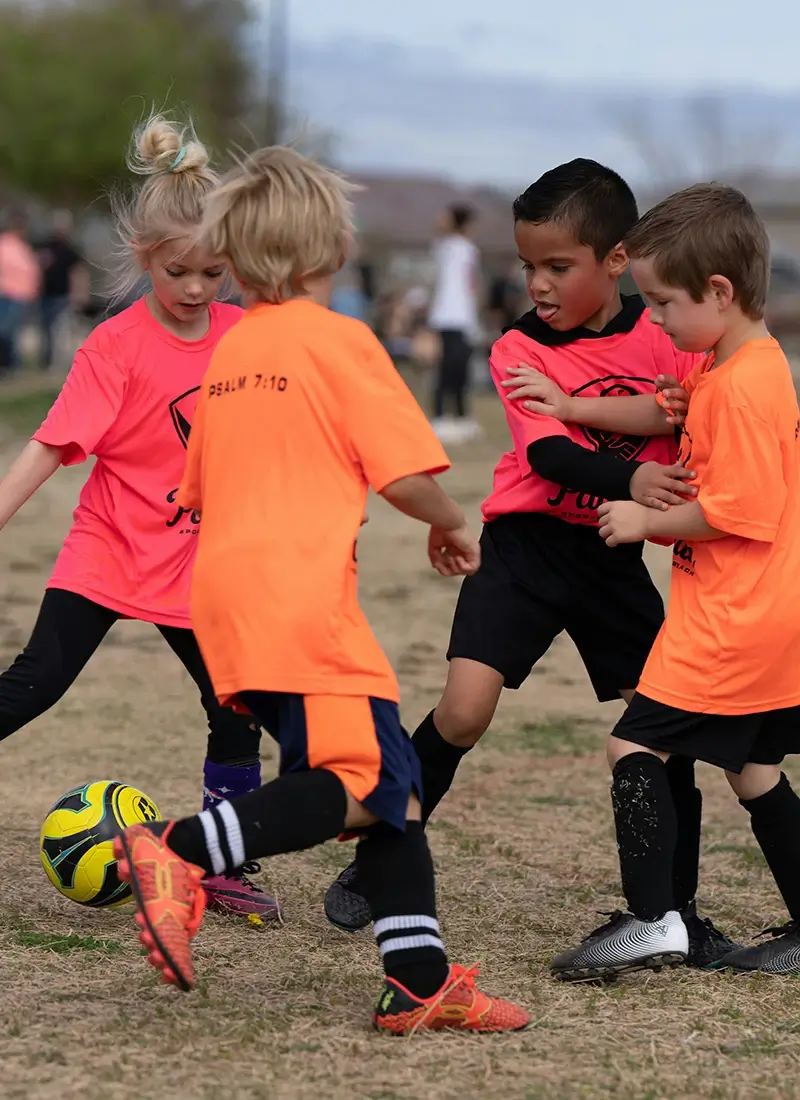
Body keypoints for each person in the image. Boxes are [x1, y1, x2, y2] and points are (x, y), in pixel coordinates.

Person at [111, 145, 531, 1035]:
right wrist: (452, 521)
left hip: (228, 600)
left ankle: (418, 981)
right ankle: (181, 849)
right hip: (301, 601)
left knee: (394, 791)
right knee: (365, 780)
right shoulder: (339, 339)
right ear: (329, 248)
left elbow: (196, 486)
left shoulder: (231, 352)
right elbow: (403, 474)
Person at [323, 158, 738, 969]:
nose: (538, 283)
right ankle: (380, 854)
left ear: (617, 259)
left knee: (665, 729)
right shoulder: (519, 346)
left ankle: (675, 910)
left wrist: (658, 435)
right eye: (527, 266)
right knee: (462, 714)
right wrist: (632, 475)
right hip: (523, 550)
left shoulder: (667, 331)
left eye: (558, 266)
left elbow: (686, 408)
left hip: (611, 557)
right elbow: (549, 455)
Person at [0, 115, 277, 922]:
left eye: (213, 272)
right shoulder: (115, 346)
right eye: (177, 270)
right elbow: (51, 444)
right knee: (35, 684)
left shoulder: (249, 337)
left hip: (201, 563)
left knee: (235, 704)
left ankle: (224, 860)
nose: (195, 288)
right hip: (111, 548)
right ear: (143, 256)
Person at [553, 184, 800, 978]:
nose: (654, 319)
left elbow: (744, 512)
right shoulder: (734, 366)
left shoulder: (744, 388)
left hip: (731, 617)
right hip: (760, 612)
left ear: (719, 292)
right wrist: (677, 403)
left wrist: (642, 519)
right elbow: (688, 422)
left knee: (633, 744)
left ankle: (654, 920)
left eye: (663, 303)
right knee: (754, 770)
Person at [428, 203, 482, 443]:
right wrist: (448, 222)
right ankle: (440, 417)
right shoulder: (451, 247)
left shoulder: (465, 249)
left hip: (462, 318)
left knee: (461, 370)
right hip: (448, 317)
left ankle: (461, 417)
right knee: (447, 369)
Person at [36, 209, 90, 370]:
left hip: (63, 296)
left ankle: (56, 362)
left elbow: (78, 273)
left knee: (59, 329)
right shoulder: (45, 247)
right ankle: (45, 361)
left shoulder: (72, 250)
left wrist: (79, 295)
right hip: (46, 294)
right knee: (45, 329)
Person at [0, 208, 40, 372]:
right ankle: (7, 363)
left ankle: (11, 364)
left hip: (22, 296)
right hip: (8, 294)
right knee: (5, 331)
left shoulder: (23, 247)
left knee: (13, 332)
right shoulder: (5, 244)